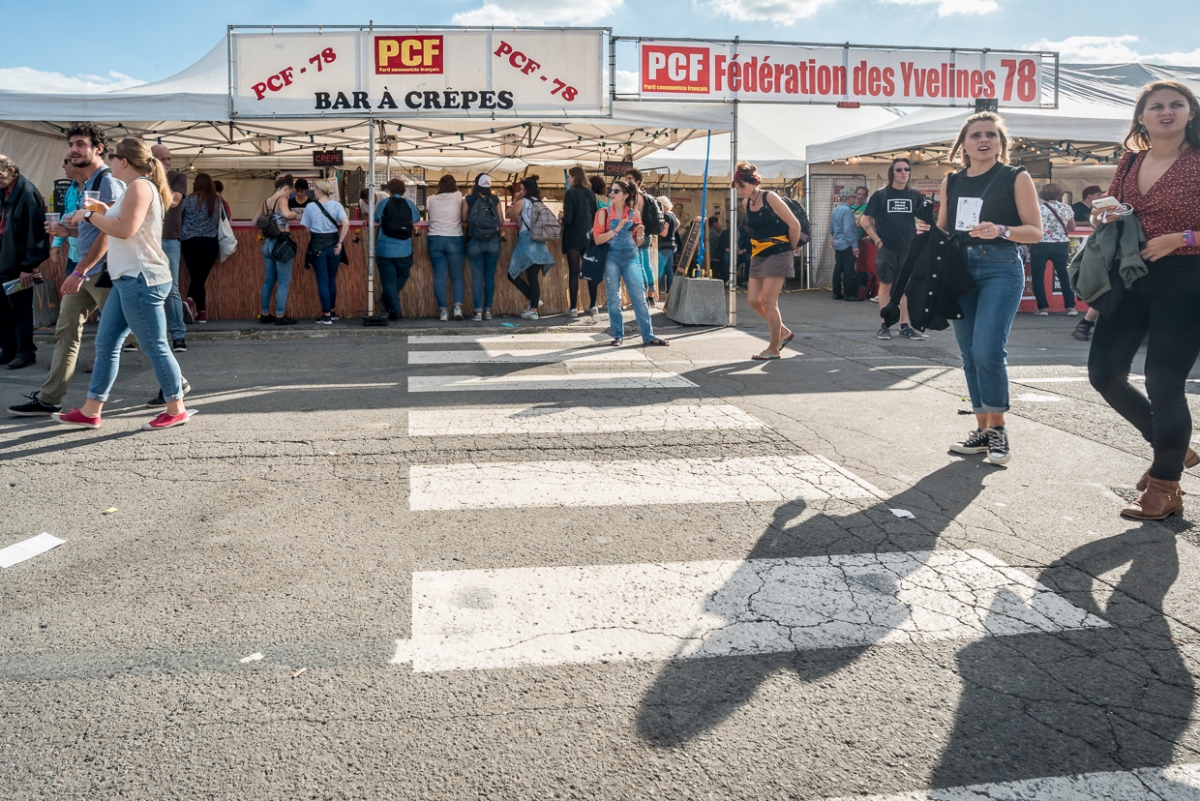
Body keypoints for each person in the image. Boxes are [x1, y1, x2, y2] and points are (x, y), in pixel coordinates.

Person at [1087, 80, 1200, 519]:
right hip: (1129, 276)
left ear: (1191, 112)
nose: (1166, 111)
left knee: (1164, 382)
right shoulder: (1130, 159)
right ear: (1142, 116)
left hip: (1187, 278)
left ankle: (1165, 487)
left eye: (1177, 104)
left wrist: (1182, 237)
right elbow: (1115, 208)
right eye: (1156, 106)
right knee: (1104, 374)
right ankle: (1172, 447)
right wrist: (1105, 212)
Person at [917, 111, 1043, 467]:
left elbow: (1035, 231)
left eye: (991, 134)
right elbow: (944, 230)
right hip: (958, 269)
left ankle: (999, 429)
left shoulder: (1016, 177)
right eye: (976, 135)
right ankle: (982, 430)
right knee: (970, 353)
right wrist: (926, 231)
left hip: (1000, 265)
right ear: (964, 144)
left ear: (1002, 143)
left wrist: (1002, 230)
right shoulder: (953, 181)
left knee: (988, 350)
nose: (984, 140)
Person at [54, 138, 190, 431]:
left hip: (141, 279)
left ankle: (176, 407)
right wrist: (102, 210)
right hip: (128, 279)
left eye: (113, 156)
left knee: (154, 346)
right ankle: (91, 410)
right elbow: (124, 222)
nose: (109, 161)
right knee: (106, 344)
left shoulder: (140, 187)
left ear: (124, 161)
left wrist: (91, 214)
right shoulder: (135, 188)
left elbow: (126, 230)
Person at [10, 125, 127, 414]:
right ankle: (50, 399)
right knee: (65, 330)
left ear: (98, 148)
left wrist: (80, 270)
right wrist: (67, 230)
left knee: (135, 333)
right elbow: (92, 230)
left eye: (80, 144)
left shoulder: (108, 182)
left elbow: (109, 234)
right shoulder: (87, 184)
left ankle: (174, 386)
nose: (73, 150)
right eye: (71, 144)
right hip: (87, 270)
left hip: (103, 272)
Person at [733, 162, 802, 360]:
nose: (739, 190)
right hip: (758, 253)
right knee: (754, 300)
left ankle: (773, 348)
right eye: (737, 186)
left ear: (753, 183)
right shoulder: (746, 203)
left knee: (769, 302)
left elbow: (794, 224)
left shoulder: (770, 196)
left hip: (778, 251)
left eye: (742, 186)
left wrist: (792, 248)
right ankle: (784, 332)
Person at [861, 158, 930, 340]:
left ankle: (904, 326)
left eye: (906, 169)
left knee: (905, 289)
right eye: (899, 169)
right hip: (887, 249)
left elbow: (925, 219)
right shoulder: (881, 195)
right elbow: (864, 220)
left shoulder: (915, 195)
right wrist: (877, 241)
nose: (903, 172)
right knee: (886, 286)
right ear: (892, 172)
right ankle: (885, 325)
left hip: (908, 249)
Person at [594, 179, 668, 348]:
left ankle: (648, 336)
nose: (611, 194)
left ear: (625, 195)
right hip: (611, 259)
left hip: (631, 258)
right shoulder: (602, 213)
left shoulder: (635, 214)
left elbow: (638, 243)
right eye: (611, 190)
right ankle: (617, 336)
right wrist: (616, 229)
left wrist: (641, 234)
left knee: (639, 298)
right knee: (614, 299)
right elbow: (598, 240)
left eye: (616, 191)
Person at [0, 154, 49, 371]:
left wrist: (28, 266)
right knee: (3, 309)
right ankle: (8, 349)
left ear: (10, 172)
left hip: (18, 263)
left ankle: (26, 352)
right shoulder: (5, 189)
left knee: (20, 310)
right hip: (4, 259)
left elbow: (36, 234)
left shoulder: (27, 193)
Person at [152, 144, 189, 350]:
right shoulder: (143, 179)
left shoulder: (178, 178)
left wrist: (155, 183)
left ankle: (178, 335)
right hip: (146, 239)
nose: (167, 163)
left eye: (169, 159)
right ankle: (139, 336)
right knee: (142, 287)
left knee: (171, 288)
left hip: (169, 238)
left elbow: (174, 201)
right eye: (162, 159)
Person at [506, 176, 555, 320]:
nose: (520, 191)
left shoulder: (522, 202)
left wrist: (514, 200)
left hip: (526, 241)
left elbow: (508, 214)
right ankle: (534, 305)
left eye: (522, 189)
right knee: (533, 276)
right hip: (540, 243)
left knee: (512, 274)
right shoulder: (540, 203)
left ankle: (533, 306)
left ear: (526, 190)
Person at [300, 179, 349, 325]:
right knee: (331, 279)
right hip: (335, 246)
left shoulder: (310, 207)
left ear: (320, 190)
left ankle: (326, 315)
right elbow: (346, 223)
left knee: (323, 280)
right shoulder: (337, 205)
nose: (313, 191)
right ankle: (332, 312)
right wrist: (340, 243)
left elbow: (307, 229)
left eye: (315, 188)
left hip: (317, 246)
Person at [374, 178, 421, 321]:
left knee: (388, 281)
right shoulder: (409, 204)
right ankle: (392, 306)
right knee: (403, 275)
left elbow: (376, 218)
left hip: (385, 249)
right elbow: (417, 218)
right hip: (404, 249)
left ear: (389, 190)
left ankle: (392, 306)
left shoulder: (383, 203)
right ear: (403, 190)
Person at [1030, 183, 1078, 317]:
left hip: (1041, 243)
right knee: (1064, 276)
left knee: (1038, 276)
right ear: (1060, 194)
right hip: (1060, 244)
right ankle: (1070, 307)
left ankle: (1042, 308)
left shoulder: (1038, 209)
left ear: (1042, 194)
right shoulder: (1067, 208)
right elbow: (1072, 227)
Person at [180, 172, 221, 323]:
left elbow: (180, 218)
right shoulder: (216, 200)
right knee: (200, 278)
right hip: (210, 244)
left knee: (196, 277)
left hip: (190, 243)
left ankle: (190, 301)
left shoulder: (188, 200)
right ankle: (201, 313)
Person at [258, 175, 299, 325]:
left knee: (268, 281)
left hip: (268, 244)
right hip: (281, 243)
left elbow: (254, 221)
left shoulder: (265, 202)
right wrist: (295, 214)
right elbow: (287, 214)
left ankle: (264, 314)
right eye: (290, 193)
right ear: (286, 188)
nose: (289, 196)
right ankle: (280, 316)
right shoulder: (282, 199)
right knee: (283, 282)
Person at [427, 174, 467, 321]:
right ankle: (457, 308)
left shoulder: (430, 199)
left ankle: (443, 311)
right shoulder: (458, 196)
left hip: (434, 238)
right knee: (457, 276)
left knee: (439, 276)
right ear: (454, 185)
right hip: (454, 238)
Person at [623, 168, 664, 306]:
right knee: (646, 264)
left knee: (638, 265)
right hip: (647, 233)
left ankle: (642, 295)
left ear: (637, 181)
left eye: (629, 178)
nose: (627, 181)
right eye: (626, 178)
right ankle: (650, 295)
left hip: (636, 233)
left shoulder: (633, 197)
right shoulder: (647, 197)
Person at [561, 167, 599, 317]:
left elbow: (568, 218)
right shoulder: (591, 194)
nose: (568, 179)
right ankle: (593, 305)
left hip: (573, 237)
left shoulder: (570, 194)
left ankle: (573, 308)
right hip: (588, 237)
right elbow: (595, 215)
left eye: (569, 177)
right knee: (590, 272)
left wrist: (561, 219)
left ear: (574, 177)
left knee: (574, 272)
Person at [464, 174, 502, 321]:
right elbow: (501, 220)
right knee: (489, 277)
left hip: (474, 241)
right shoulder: (495, 200)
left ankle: (478, 312)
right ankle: (488, 311)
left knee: (477, 277)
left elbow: (463, 219)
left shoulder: (469, 199)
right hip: (492, 242)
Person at [829, 193, 861, 300]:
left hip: (838, 243)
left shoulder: (836, 210)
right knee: (848, 269)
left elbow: (832, 228)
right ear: (848, 198)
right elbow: (848, 230)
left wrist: (835, 237)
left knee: (838, 267)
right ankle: (848, 294)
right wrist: (854, 246)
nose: (855, 199)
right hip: (847, 244)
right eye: (853, 197)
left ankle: (836, 292)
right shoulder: (847, 211)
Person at [657, 196, 680, 296]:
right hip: (672, 245)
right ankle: (669, 292)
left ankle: (653, 293)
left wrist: (655, 230)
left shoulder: (666, 215)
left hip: (665, 246)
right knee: (669, 269)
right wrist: (672, 232)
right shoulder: (672, 214)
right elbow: (678, 223)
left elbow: (664, 233)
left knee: (658, 269)